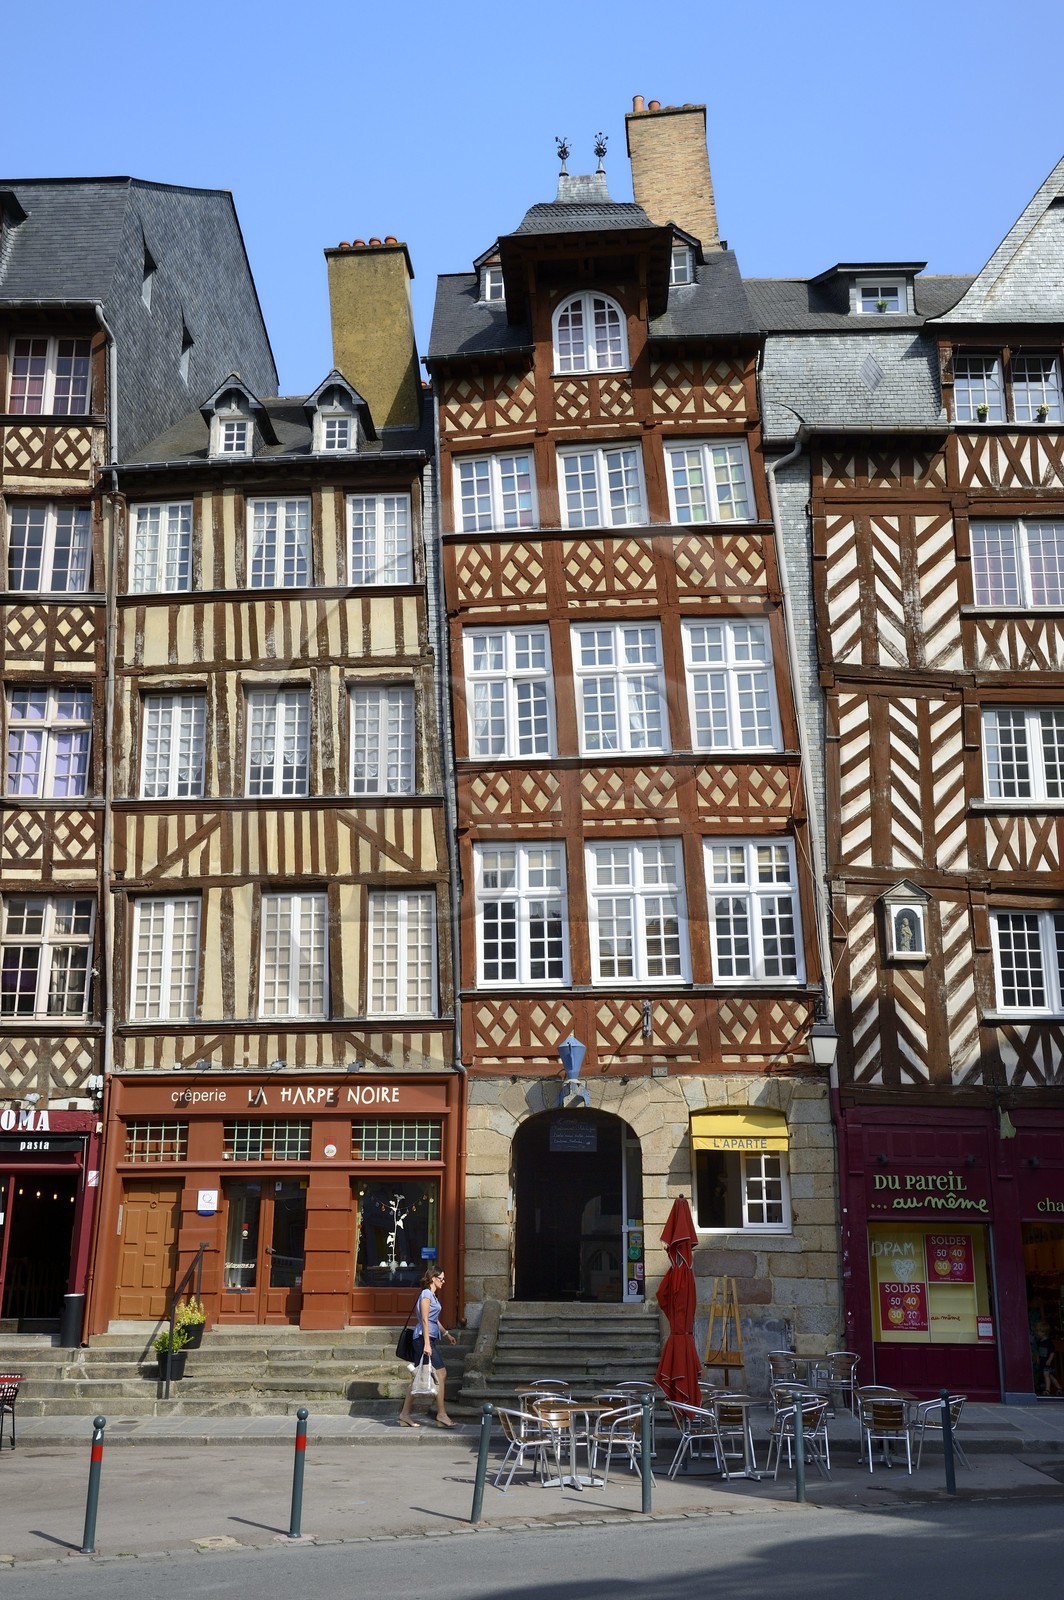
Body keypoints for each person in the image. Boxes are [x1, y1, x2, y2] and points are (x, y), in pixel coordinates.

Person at [398, 1266, 457, 1428]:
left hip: (428, 1338)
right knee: (441, 1373)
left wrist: (447, 1335)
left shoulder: (432, 1296)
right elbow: (424, 1319)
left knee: (421, 1376)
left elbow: (433, 1320)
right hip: (422, 1340)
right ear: (433, 1278)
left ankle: (404, 1414)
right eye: (442, 1278)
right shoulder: (426, 1294)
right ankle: (442, 1414)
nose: (444, 1282)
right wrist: (426, 1344)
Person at [1034, 1322, 1061, 1396]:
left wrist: (1049, 1360)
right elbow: (1038, 1351)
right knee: (1050, 1376)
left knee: (1046, 1375)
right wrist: (1038, 1359)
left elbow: (1052, 1353)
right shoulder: (1039, 1341)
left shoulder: (1048, 1342)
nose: (1037, 1333)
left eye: (1039, 1331)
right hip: (1043, 1362)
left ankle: (1047, 1390)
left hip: (1047, 1363)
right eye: (1037, 1331)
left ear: (1044, 1332)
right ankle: (1059, 1388)